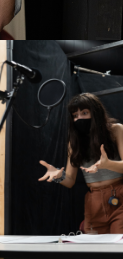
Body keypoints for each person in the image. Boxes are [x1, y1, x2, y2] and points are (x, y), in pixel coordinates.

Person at [39, 93, 123, 234]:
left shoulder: (115, 130)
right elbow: (70, 181)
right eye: (75, 115)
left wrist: (107, 164)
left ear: (95, 112)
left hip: (119, 196)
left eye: (84, 113)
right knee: (94, 250)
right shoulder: (75, 141)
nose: (79, 118)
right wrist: (58, 176)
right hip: (93, 201)